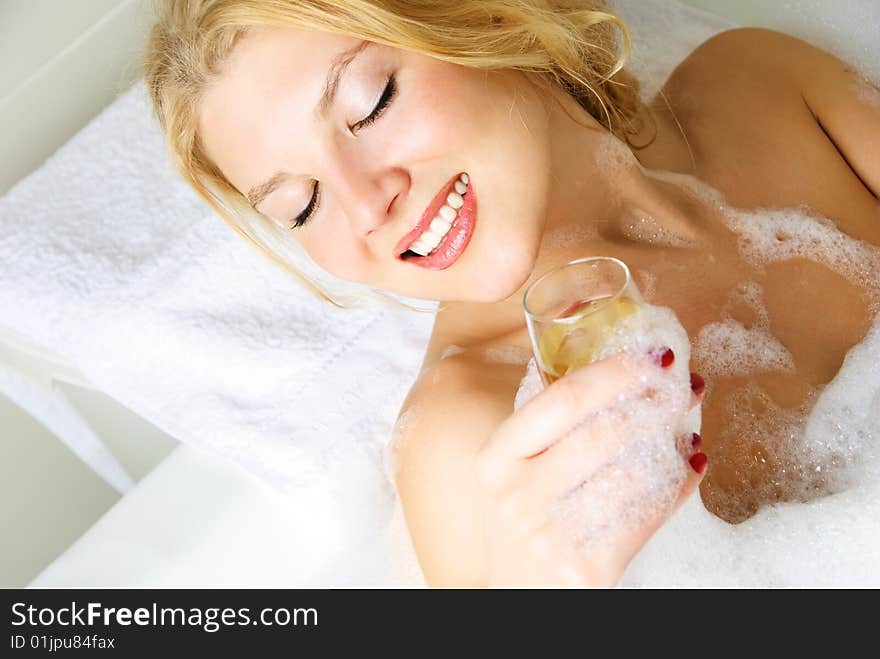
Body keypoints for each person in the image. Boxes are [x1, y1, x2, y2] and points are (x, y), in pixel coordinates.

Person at [143, 0, 880, 586]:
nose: (369, 207)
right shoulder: (474, 431)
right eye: (301, 205)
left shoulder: (760, 83)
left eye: (370, 103)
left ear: (484, 16)